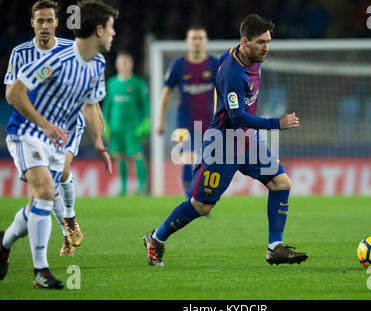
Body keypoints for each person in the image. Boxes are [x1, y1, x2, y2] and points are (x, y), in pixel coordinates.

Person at [143, 14, 308, 267]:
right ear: (245, 42)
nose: (266, 48)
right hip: (223, 146)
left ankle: (275, 247)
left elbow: (221, 60)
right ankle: (156, 238)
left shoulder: (243, 55)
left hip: (246, 142)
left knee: (281, 182)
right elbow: (238, 117)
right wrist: (277, 123)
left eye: (268, 42)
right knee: (201, 206)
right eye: (261, 42)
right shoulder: (233, 74)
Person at [0, 0, 117, 289]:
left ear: (56, 22)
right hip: (28, 131)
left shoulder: (97, 63)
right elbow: (13, 94)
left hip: (60, 134)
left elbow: (90, 106)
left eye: (49, 20)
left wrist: (100, 145)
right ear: (99, 30)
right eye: (111, 29)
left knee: (36, 206)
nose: (114, 34)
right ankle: (42, 271)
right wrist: (44, 123)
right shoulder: (54, 60)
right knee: (45, 193)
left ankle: (3, 243)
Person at [156, 26, 219, 195]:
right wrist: (160, 119)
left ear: (205, 41)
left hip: (210, 121)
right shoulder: (178, 65)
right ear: (187, 41)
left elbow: (224, 91)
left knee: (207, 162)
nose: (197, 42)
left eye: (200, 38)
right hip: (184, 122)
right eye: (193, 38)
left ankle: (202, 197)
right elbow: (167, 92)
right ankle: (189, 199)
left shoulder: (214, 64)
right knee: (187, 158)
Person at [102, 52, 150, 196]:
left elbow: (145, 105)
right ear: (117, 65)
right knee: (120, 156)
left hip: (132, 127)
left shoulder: (138, 83)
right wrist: (104, 122)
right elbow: (107, 105)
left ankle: (142, 189)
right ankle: (123, 189)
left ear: (131, 64)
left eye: (126, 62)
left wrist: (146, 121)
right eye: (121, 62)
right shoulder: (111, 83)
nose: (123, 65)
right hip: (116, 127)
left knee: (137, 155)